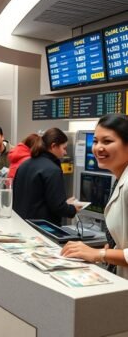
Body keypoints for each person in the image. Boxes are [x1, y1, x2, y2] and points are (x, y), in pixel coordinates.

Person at [61, 114, 128, 279]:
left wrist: (100, 253)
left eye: (107, 141)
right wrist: (111, 249)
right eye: (96, 141)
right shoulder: (120, 180)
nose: (98, 148)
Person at [12, 128, 82, 226]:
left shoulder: (25, 164)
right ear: (53, 146)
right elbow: (58, 208)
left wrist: (64, 204)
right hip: (43, 229)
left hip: (21, 225)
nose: (65, 153)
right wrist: (72, 208)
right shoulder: (53, 170)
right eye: (64, 148)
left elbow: (35, 199)